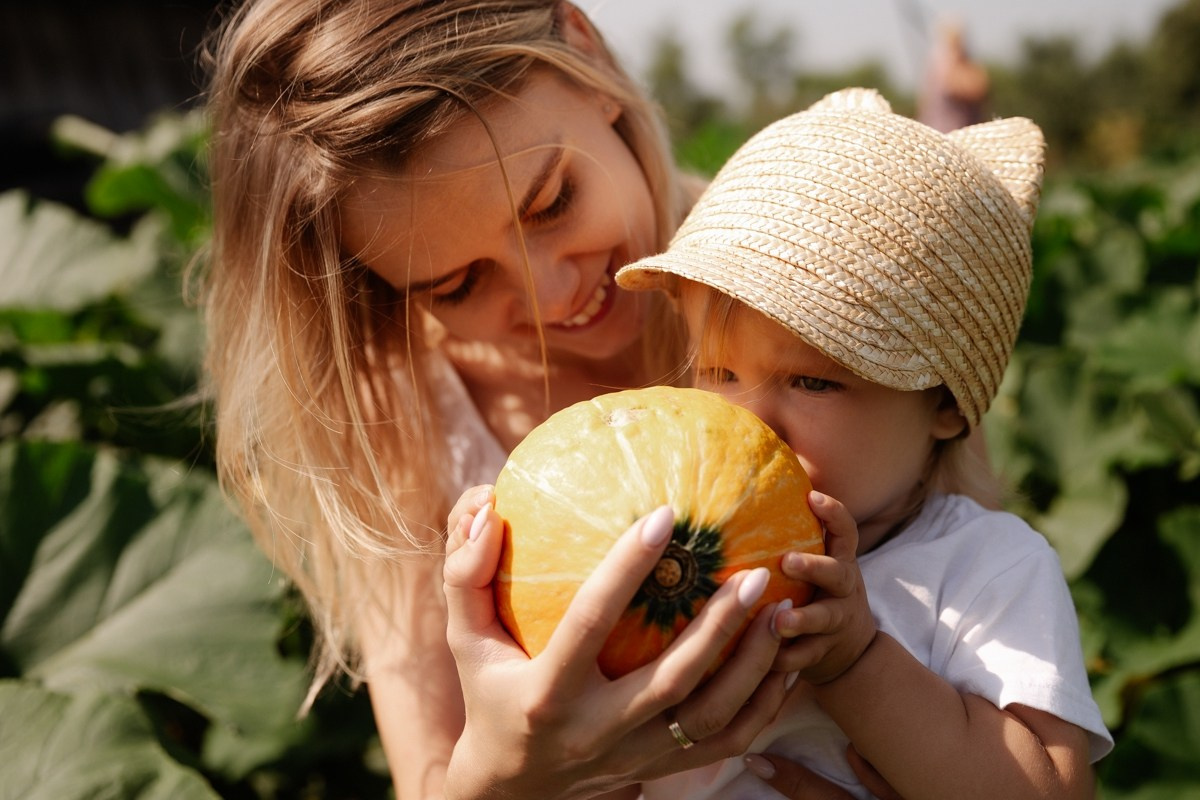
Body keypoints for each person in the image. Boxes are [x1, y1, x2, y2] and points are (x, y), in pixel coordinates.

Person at [198, 1, 866, 798]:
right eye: (456, 285)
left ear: (588, 58)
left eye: (552, 202)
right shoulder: (405, 419)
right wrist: (506, 776)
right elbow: (428, 778)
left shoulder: (801, 290)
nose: (552, 295)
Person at [602, 87, 1112, 798]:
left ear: (946, 404)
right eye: (719, 373)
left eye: (812, 383)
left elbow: (1051, 789)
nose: (753, 422)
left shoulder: (985, 567)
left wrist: (855, 661)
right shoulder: (670, 549)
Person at [917, 17, 990, 133]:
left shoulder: (941, 60)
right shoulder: (946, 62)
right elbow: (972, 90)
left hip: (942, 130)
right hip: (949, 131)